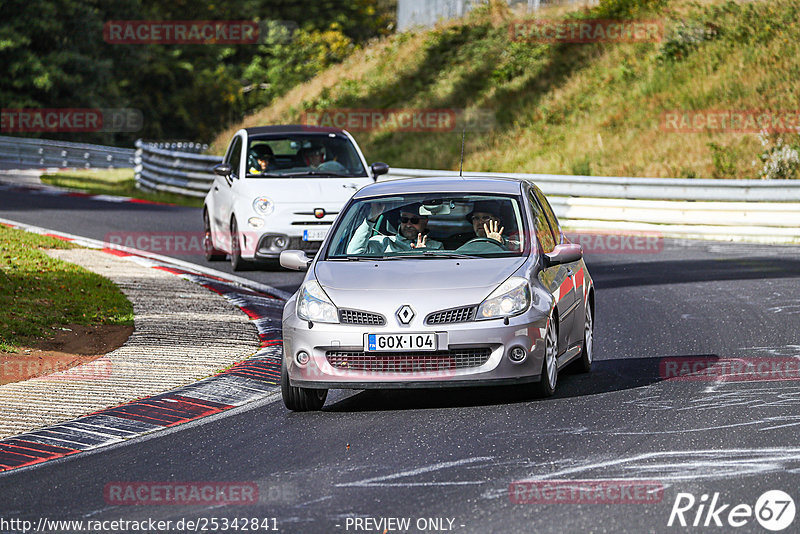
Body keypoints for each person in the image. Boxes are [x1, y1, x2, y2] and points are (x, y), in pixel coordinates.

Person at [346, 202, 443, 255]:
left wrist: (424, 255)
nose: (408, 224)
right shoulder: (383, 242)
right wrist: (371, 219)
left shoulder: (436, 247)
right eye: (404, 219)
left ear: (425, 222)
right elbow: (353, 253)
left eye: (414, 220)